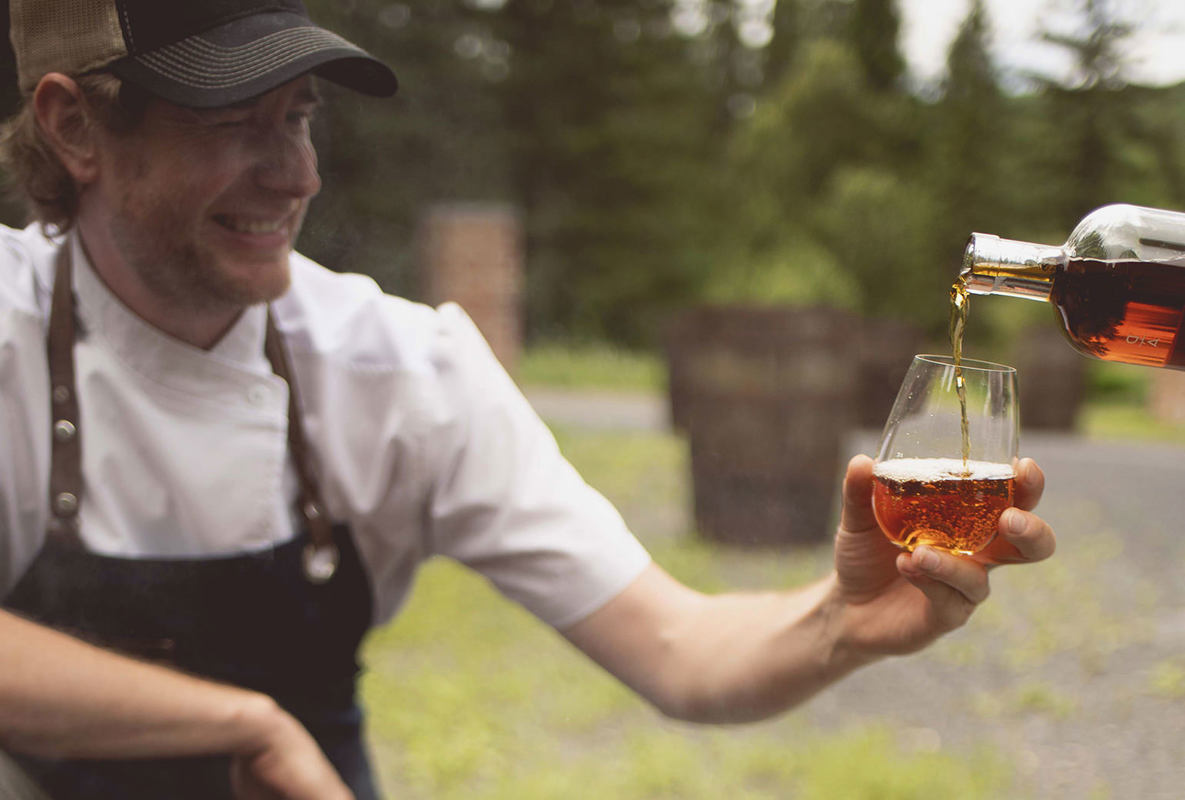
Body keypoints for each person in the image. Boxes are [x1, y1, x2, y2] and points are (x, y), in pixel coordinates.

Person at [0, 1, 1057, 798]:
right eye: (235, 121)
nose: (295, 174)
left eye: (301, 117)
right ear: (75, 128)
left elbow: (680, 650)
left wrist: (842, 622)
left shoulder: (401, 371)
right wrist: (240, 720)